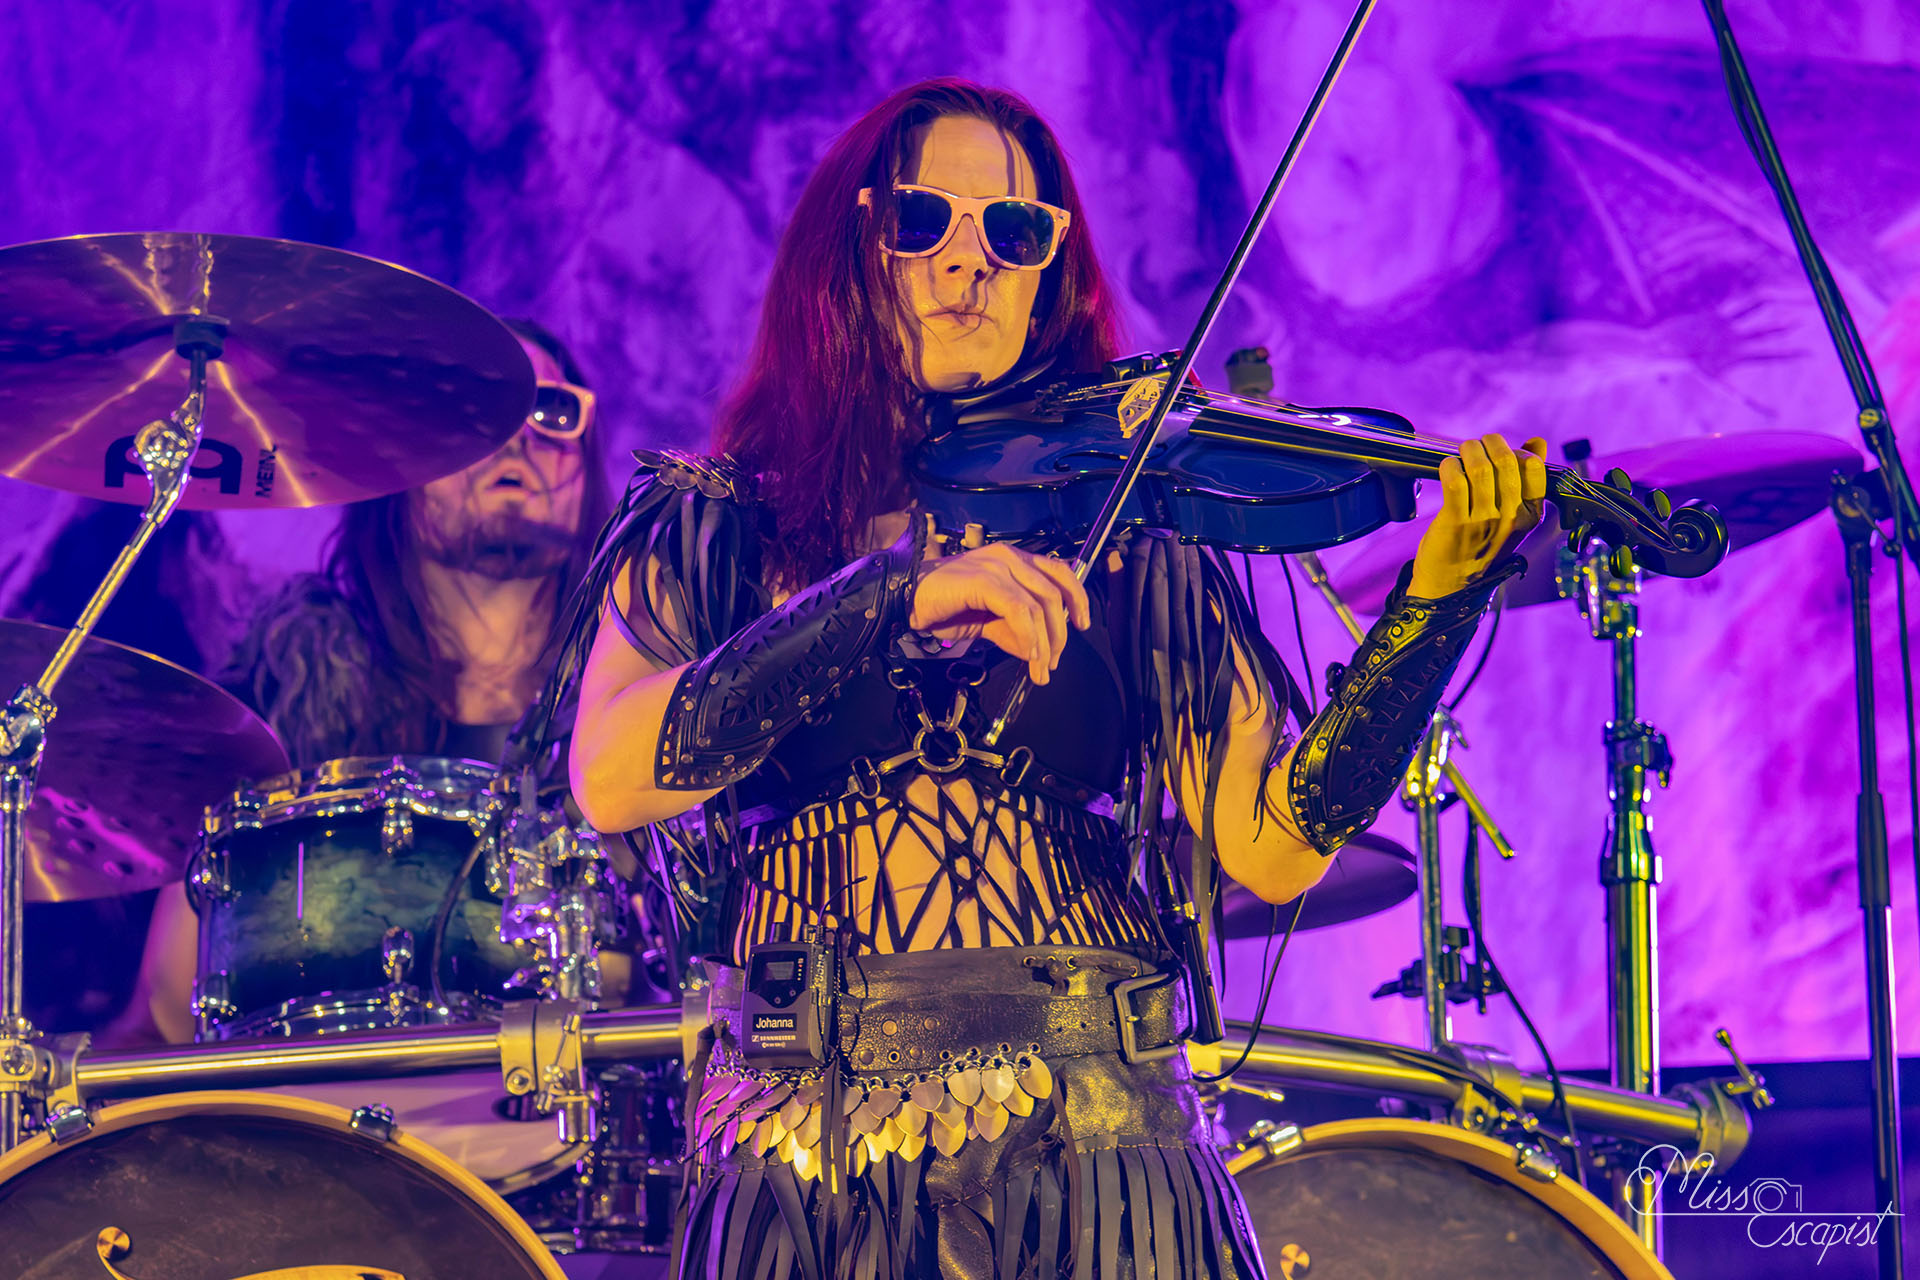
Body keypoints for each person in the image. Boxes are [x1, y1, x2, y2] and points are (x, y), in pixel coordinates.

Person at [564, 80, 1545, 1280]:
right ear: (849, 246)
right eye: (923, 219)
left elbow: (1277, 846)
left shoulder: (1124, 529)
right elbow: (610, 774)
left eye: (1015, 232)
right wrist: (888, 593)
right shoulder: (720, 521)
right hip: (803, 1141)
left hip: (1097, 1140)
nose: (968, 262)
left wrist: (1433, 612)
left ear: (1049, 277)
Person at [104, 318, 611, 1046]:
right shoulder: (284, 702)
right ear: (398, 471)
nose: (515, 439)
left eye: (551, 410)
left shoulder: (637, 698)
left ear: (591, 463)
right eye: (472, 410)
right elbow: (171, 998)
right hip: (332, 1106)